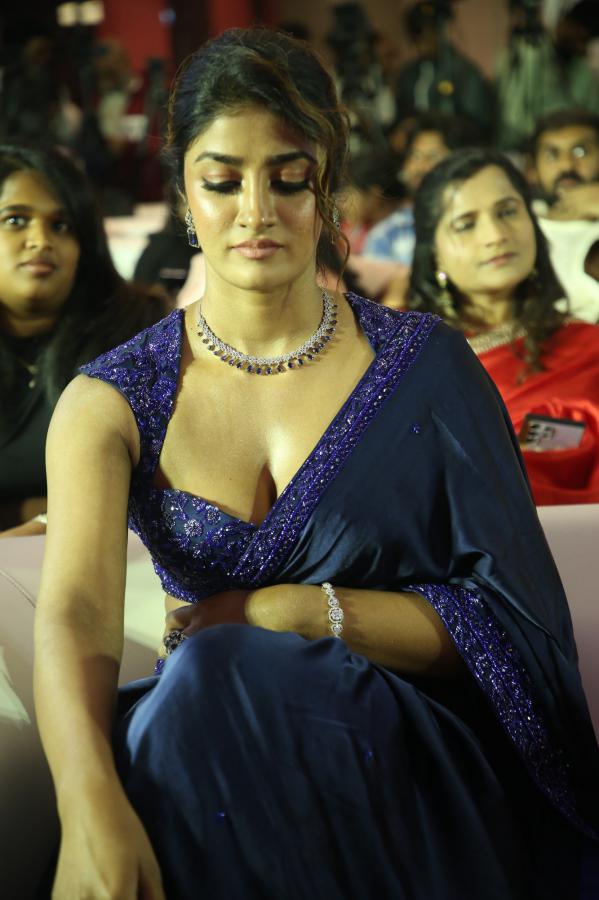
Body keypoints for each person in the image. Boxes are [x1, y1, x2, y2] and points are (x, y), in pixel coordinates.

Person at [34, 29, 599, 900]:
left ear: (327, 185)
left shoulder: (426, 367)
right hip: (208, 750)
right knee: (193, 703)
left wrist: (290, 611)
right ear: (183, 194)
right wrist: (85, 804)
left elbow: (516, 623)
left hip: (410, 754)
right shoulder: (107, 402)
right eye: (223, 182)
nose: (255, 211)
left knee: (211, 678)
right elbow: (75, 613)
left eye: (288, 178)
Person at [409, 146, 599, 505]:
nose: (495, 234)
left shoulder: (589, 347)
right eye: (466, 224)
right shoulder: (404, 358)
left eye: (508, 212)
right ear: (434, 252)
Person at [0, 144, 168, 534]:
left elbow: (160, 491)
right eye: (15, 220)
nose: (40, 240)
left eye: (61, 226)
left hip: (106, 557)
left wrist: (42, 522)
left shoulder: (137, 334)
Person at [527, 108, 599, 323]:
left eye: (581, 152)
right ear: (532, 169)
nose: (567, 165)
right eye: (552, 154)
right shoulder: (522, 227)